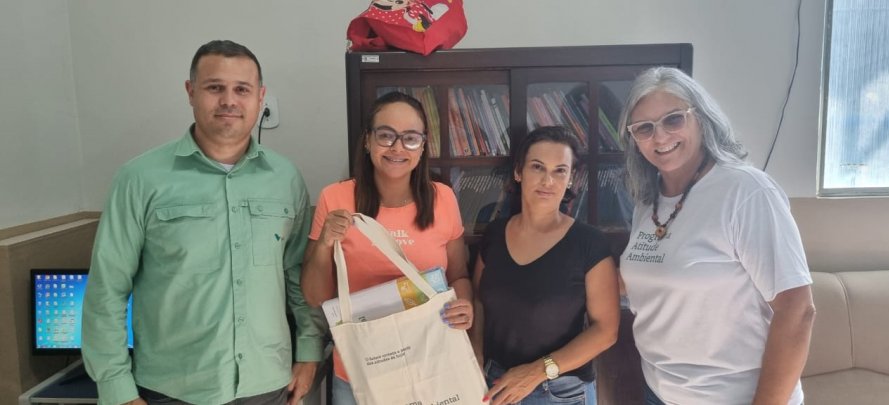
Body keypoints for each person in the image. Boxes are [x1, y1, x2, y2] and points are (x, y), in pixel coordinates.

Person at [82, 40, 324, 405]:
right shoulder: (139, 179)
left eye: (242, 89)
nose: (229, 101)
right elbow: (107, 289)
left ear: (260, 97)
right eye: (215, 88)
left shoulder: (285, 178)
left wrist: (309, 351)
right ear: (191, 92)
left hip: (266, 385)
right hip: (171, 390)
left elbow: (297, 275)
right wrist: (116, 388)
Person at [617, 67, 816, 405]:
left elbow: (797, 310)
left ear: (702, 118)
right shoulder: (647, 202)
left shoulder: (747, 191)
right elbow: (655, 279)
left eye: (673, 120)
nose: (660, 137)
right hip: (659, 392)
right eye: (644, 128)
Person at [300, 91, 473, 405]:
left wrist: (464, 305)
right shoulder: (335, 198)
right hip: (359, 373)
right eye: (385, 135)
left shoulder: (444, 198)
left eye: (410, 138)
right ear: (368, 141)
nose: (397, 147)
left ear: (423, 146)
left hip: (432, 366)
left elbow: (459, 275)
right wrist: (325, 242)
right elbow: (314, 297)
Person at [473, 126, 620, 405]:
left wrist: (537, 372)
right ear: (519, 172)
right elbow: (478, 299)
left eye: (560, 171)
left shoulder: (589, 243)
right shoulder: (494, 233)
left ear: (571, 178)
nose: (548, 180)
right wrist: (475, 355)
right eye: (537, 167)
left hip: (558, 391)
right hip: (492, 384)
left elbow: (605, 331)